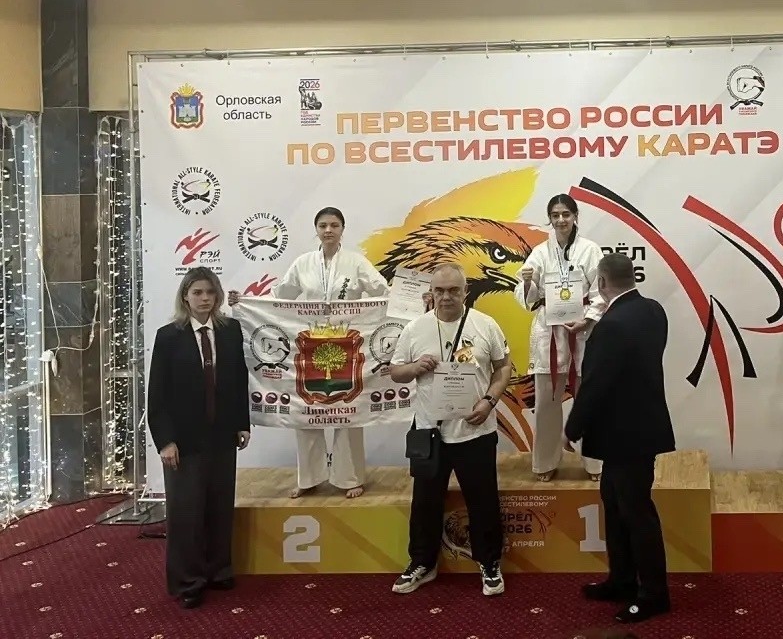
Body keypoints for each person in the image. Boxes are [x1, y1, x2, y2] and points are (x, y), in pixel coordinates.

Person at [228, 206, 388, 499]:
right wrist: (246, 302)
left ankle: (350, 477)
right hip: (310, 345)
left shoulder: (356, 262)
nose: (328, 230)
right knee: (307, 412)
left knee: (348, 411)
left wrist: (412, 302)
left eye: (334, 225)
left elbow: (383, 291)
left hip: (348, 345)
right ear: (316, 229)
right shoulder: (302, 264)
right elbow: (278, 299)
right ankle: (309, 477)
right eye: (323, 225)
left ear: (342, 229)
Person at [388, 262, 512, 598]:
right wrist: (415, 367)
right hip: (429, 431)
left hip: (476, 429)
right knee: (424, 502)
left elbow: (503, 367)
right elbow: (395, 372)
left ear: (465, 292)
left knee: (483, 501)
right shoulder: (415, 328)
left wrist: (489, 401)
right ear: (430, 293)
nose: (446, 297)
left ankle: (490, 563)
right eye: (440, 290)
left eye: (454, 290)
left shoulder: (485, 325)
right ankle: (422, 563)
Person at [566, 252, 675, 625]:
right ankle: (622, 580)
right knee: (614, 505)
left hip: (624, 434)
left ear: (601, 282)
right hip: (637, 430)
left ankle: (654, 594)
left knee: (636, 513)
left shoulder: (611, 325)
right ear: (633, 276)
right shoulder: (654, 310)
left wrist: (572, 428)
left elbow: (596, 383)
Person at [147, 267, 250, 610]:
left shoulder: (230, 330)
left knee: (219, 505)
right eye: (198, 293)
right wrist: (165, 441)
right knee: (186, 512)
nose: (205, 299)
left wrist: (242, 423)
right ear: (185, 297)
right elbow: (157, 393)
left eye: (210, 292)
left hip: (222, 435)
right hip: (183, 440)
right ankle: (188, 581)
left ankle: (219, 570)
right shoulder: (168, 336)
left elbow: (238, 379)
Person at [515, 194, 604, 481]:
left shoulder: (590, 250)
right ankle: (545, 462)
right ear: (550, 219)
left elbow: (601, 291)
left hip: (583, 331)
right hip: (549, 333)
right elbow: (526, 298)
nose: (561, 220)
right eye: (555, 215)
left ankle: (595, 464)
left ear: (575, 216)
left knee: (589, 400)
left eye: (566, 214)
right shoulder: (540, 252)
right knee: (546, 404)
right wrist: (527, 282)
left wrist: (588, 318)